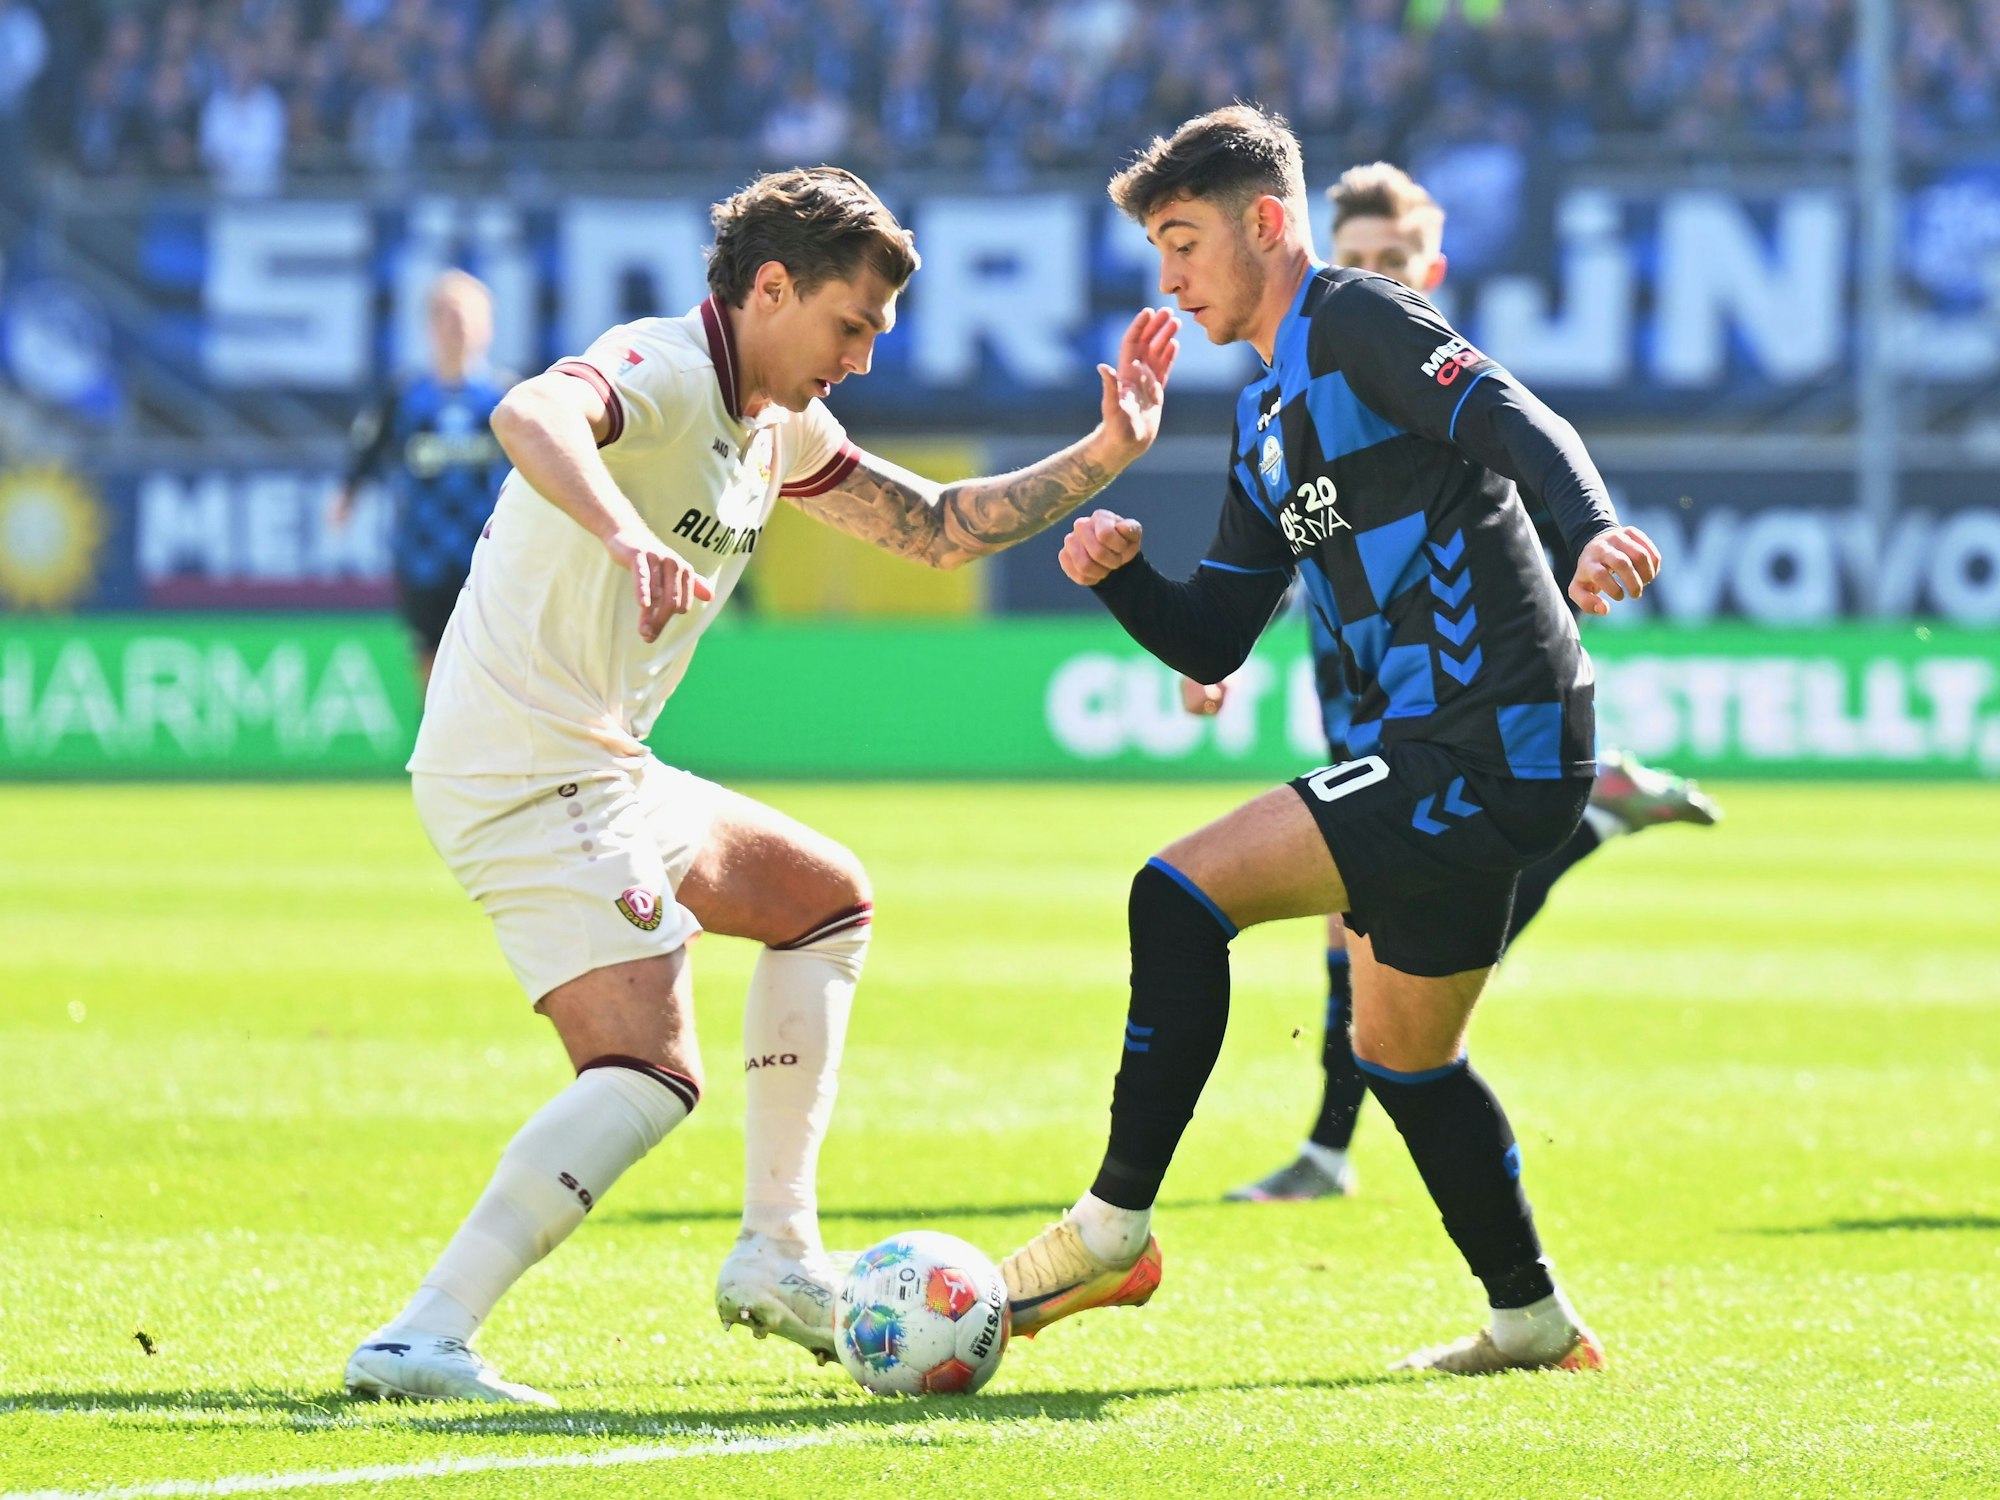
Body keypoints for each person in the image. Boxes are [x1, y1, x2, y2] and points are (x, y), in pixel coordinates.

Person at [343, 166, 1177, 1407]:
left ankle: (778, 1254)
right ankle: (423, 1335)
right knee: (646, 1070)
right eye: (851, 325)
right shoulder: (664, 366)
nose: (863, 358)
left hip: (596, 761)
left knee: (822, 900)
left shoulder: (778, 423)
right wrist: (625, 534)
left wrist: (1107, 453)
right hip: (523, 764)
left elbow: (934, 527)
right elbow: (529, 412)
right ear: (771, 288)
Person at [998, 106, 1660, 1374]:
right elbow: (1212, 637)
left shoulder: (1355, 319)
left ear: (1264, 222)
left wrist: (1589, 532)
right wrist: (1119, 578)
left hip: (1484, 740)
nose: (1169, 281)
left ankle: (1110, 1230)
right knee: (1401, 1057)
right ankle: (1530, 1321)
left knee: (1176, 895)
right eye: (1157, 253)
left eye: (1182, 243)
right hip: (1451, 754)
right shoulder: (1263, 413)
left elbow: (1518, 420)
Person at [1181, 162, 1720, 1205]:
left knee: (1382, 926)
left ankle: (1325, 1154)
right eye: (1358, 257)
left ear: (1429, 271)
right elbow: (1304, 538)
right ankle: (1589, 827)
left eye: (1395, 259)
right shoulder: (1298, 388)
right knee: (1383, 930)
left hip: (1453, 698)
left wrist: (1589, 545)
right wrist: (1221, 653)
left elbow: (1519, 490)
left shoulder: (1425, 380)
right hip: (1361, 690)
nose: (1374, 273)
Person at [331, 270, 513, 692]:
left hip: (488, 552)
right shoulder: (405, 397)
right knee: (432, 662)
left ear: (487, 325)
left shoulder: (507, 398)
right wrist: (347, 496)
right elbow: (368, 450)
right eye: (447, 315)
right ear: (430, 326)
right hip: (423, 553)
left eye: (468, 315)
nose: (458, 325)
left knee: (491, 660)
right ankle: (438, 729)